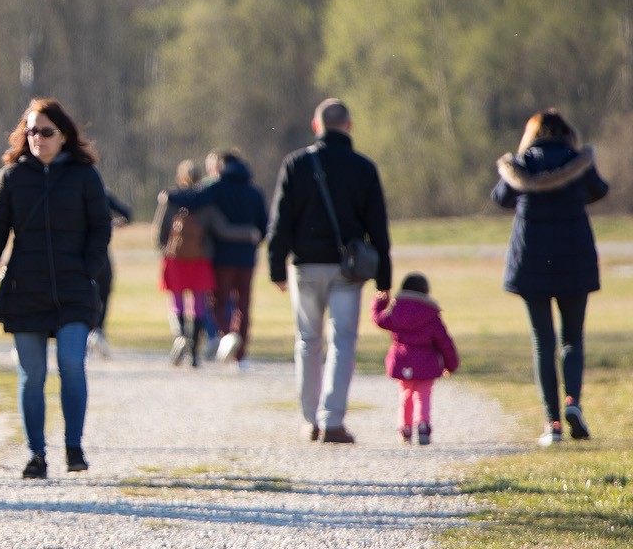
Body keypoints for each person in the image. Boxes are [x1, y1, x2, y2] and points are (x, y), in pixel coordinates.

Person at [0, 98, 110, 479]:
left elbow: (101, 226)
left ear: (63, 135)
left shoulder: (85, 175)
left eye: (46, 131)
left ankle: (74, 447)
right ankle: (36, 455)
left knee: (71, 365)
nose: (37, 138)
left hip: (74, 290)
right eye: (31, 131)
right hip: (24, 290)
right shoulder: (13, 177)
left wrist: (87, 268)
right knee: (31, 375)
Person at [268, 98, 392, 444]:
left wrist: (276, 267)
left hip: (305, 266)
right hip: (348, 270)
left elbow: (281, 221)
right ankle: (333, 419)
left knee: (308, 342)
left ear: (315, 125)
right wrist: (384, 279)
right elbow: (378, 228)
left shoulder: (295, 164)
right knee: (343, 342)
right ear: (349, 126)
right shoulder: (364, 168)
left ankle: (310, 420)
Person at [492, 109, 609, 446]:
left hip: (531, 262)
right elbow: (599, 190)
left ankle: (552, 424)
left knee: (543, 343)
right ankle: (573, 401)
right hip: (575, 259)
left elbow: (501, 198)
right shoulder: (578, 161)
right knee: (573, 339)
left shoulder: (522, 164)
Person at [165, 150, 268, 369]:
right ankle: (241, 357)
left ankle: (227, 336)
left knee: (218, 302)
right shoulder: (255, 192)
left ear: (221, 166)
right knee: (243, 305)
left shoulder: (217, 188)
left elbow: (193, 199)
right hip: (247, 258)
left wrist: (169, 196)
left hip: (222, 257)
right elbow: (264, 226)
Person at [371, 273, 459, 445]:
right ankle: (423, 425)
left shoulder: (397, 311)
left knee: (405, 395)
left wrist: (380, 301)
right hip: (426, 363)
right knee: (423, 396)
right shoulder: (431, 315)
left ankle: (405, 428)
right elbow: (444, 342)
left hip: (402, 361)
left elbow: (378, 319)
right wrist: (451, 364)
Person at [154, 160, 215, 367]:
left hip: (175, 258)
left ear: (180, 178)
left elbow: (160, 231)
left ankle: (180, 338)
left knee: (177, 302)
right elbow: (213, 229)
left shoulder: (170, 199)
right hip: (200, 258)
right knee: (198, 305)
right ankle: (194, 352)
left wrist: (165, 248)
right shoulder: (208, 200)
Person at [89, 189, 131, 358]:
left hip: (85, 251)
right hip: (98, 252)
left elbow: (127, 214)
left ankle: (95, 331)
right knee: (102, 290)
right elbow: (127, 214)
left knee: (101, 289)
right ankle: (96, 331)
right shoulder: (100, 193)